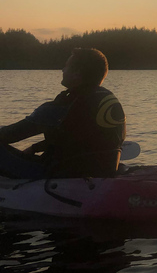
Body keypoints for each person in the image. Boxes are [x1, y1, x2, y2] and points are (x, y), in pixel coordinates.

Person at [0, 48, 126, 179]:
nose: (62, 70)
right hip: (100, 173)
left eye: (66, 66)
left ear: (77, 73)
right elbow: (80, 139)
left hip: (60, 175)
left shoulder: (63, 105)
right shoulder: (108, 100)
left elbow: (11, 134)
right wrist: (35, 148)